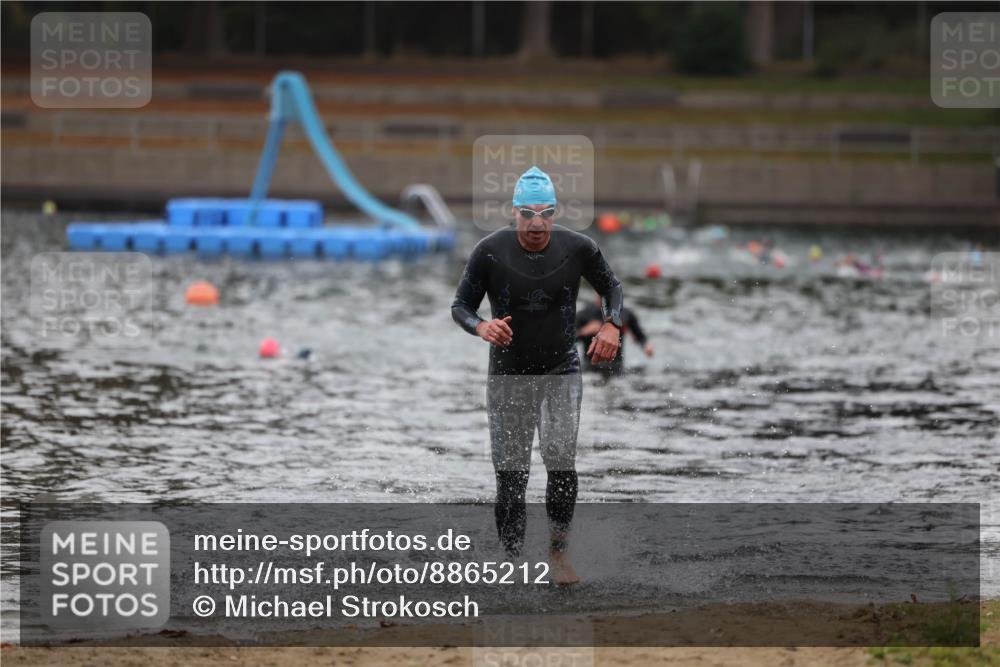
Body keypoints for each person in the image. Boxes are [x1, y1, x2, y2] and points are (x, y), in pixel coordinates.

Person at [451, 165, 623, 585]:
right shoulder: (490, 251)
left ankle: (558, 555)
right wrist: (481, 327)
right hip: (508, 371)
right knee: (511, 473)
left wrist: (612, 324)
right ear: (514, 213)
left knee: (561, 460)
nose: (535, 223)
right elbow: (461, 305)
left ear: (554, 212)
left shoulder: (578, 247)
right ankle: (513, 562)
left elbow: (612, 287)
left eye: (544, 213)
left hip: (561, 367)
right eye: (527, 213)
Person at [577, 297, 653, 376]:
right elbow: (568, 341)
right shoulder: (584, 314)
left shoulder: (625, 314)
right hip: (590, 366)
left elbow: (639, 335)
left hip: (616, 365)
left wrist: (646, 345)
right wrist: (583, 332)